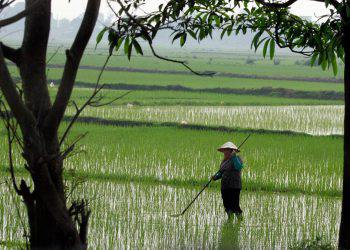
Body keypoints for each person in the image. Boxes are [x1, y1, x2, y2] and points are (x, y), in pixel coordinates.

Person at [212, 141, 244, 221]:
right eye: (225, 150)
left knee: (234, 204)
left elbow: (238, 167)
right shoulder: (224, 161)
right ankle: (230, 219)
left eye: (228, 150)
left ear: (232, 151)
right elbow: (221, 172)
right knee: (226, 204)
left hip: (234, 186)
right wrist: (215, 177)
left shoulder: (237, 159)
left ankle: (240, 220)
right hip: (225, 186)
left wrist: (233, 157)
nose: (226, 152)